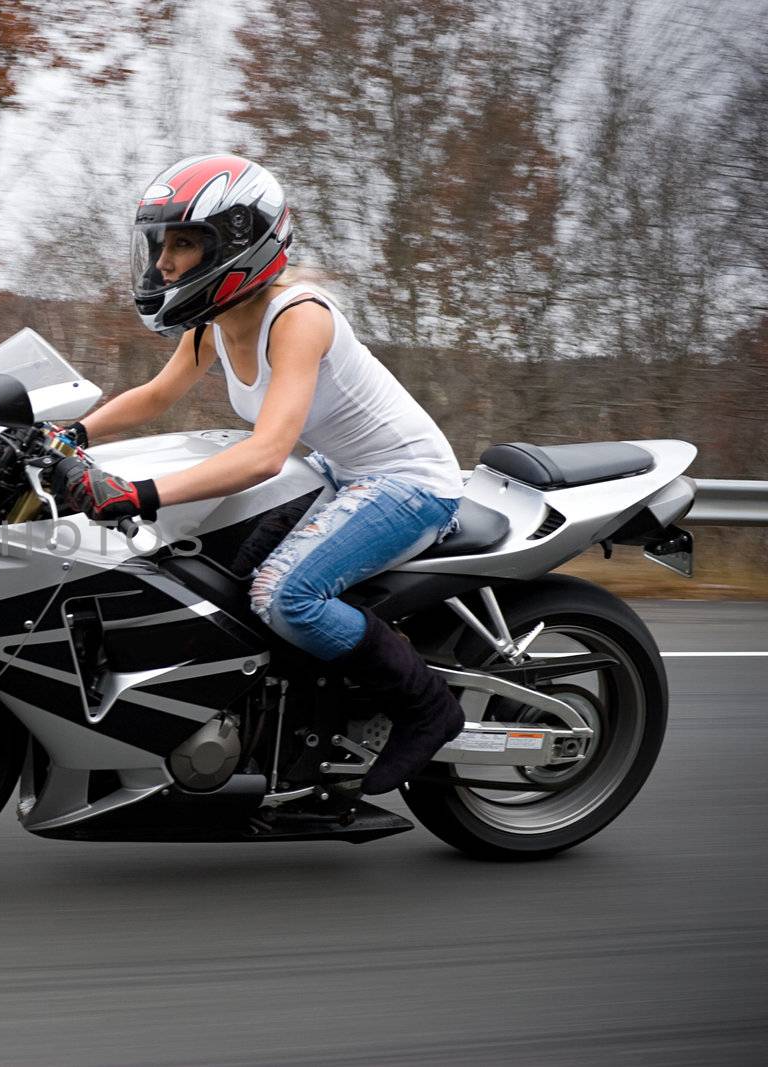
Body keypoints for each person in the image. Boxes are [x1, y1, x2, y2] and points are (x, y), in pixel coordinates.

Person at [52, 153, 466, 796]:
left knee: (283, 596)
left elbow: (266, 453)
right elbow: (156, 396)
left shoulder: (299, 317)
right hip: (339, 470)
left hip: (407, 482)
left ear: (241, 243)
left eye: (185, 243)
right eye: (162, 243)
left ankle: (427, 705)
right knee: (218, 569)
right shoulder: (216, 321)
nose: (163, 261)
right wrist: (69, 434)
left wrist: (138, 494)